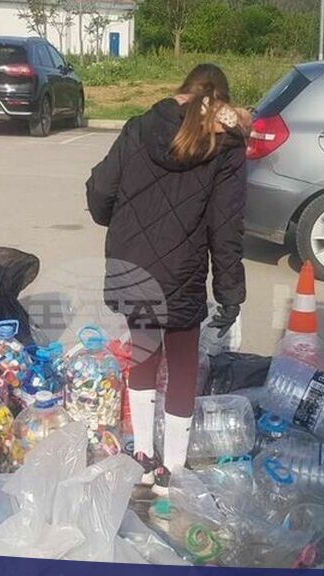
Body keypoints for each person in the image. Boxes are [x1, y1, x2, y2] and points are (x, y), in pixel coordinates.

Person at [86, 64, 248, 494]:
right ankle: (172, 470)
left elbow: (100, 192)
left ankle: (142, 455)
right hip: (183, 269)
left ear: (182, 90)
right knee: (182, 362)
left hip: (133, 264)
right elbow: (226, 228)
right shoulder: (227, 145)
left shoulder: (139, 127)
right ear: (222, 100)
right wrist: (230, 293)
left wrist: (119, 219)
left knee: (143, 353)